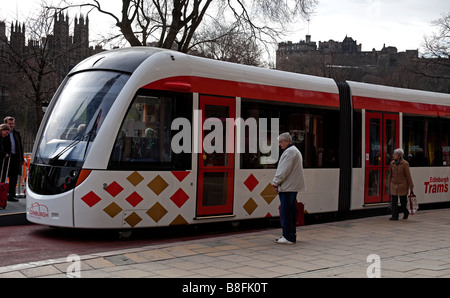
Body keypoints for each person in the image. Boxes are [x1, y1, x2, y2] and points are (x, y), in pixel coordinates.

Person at [272, 132, 306, 244]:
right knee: (290, 212)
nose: (279, 144)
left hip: (287, 187)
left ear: (287, 141)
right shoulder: (294, 151)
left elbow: (283, 170)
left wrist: (275, 183)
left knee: (286, 212)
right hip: (291, 187)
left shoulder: (290, 152)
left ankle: (287, 236)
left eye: (281, 142)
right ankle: (290, 236)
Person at [389, 148, 414, 220]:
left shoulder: (405, 164)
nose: (393, 155)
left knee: (403, 202)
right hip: (394, 184)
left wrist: (411, 186)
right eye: (393, 154)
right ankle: (394, 216)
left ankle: (405, 212)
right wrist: (389, 184)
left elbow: (408, 176)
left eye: (395, 154)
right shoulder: (392, 163)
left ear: (399, 156)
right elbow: (390, 175)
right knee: (394, 201)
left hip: (403, 185)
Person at [3, 117, 24, 202]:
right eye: (9, 124)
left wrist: (21, 159)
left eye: (12, 124)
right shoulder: (3, 133)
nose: (11, 125)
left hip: (15, 158)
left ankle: (12, 195)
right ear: (5, 124)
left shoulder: (17, 133)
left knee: (13, 178)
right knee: (3, 177)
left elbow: (20, 147)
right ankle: (3, 195)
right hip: (6, 158)